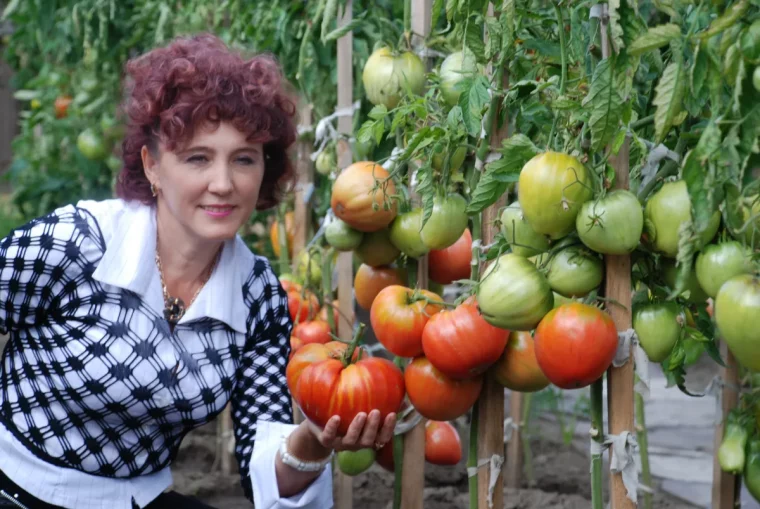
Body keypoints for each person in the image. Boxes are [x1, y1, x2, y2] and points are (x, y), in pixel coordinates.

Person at [0, 34, 397, 509]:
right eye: (198, 158)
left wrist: (314, 439)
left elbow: (262, 462)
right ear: (152, 166)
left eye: (244, 159)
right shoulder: (78, 243)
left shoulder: (257, 295)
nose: (223, 184)